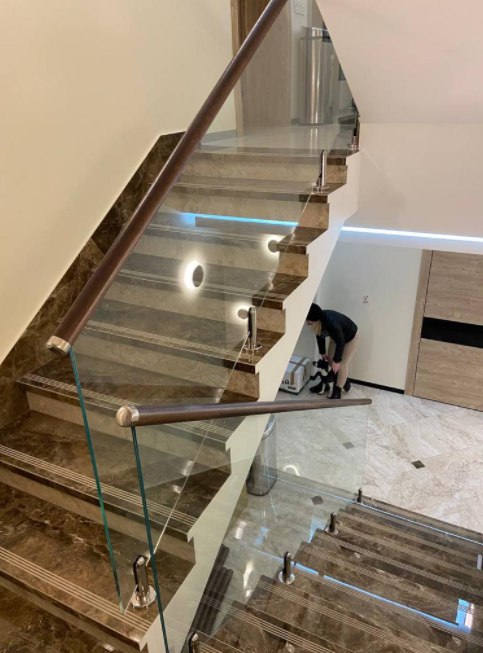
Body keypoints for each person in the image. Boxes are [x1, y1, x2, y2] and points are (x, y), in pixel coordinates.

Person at [306, 303, 359, 399]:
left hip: (350, 338)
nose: (307, 323)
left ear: (315, 320)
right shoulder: (318, 322)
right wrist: (322, 352)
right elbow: (319, 335)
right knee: (330, 360)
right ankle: (330, 383)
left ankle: (337, 391)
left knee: (342, 364)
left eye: (309, 321)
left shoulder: (332, 323)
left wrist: (337, 360)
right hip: (337, 338)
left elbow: (341, 342)